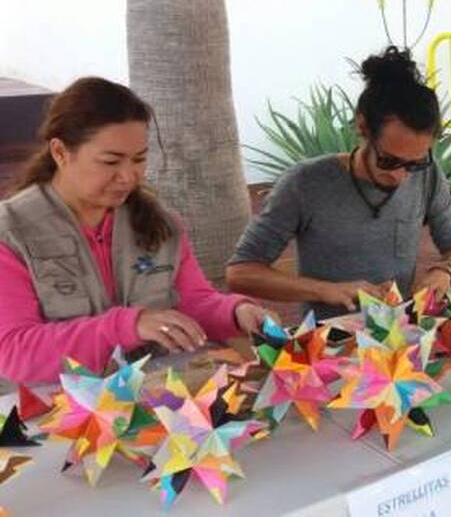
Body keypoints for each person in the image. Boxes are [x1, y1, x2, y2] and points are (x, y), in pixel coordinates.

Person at [0, 77, 271, 385]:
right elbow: (15, 353)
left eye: (139, 159)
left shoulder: (160, 225)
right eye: (110, 161)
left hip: (154, 398)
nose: (129, 176)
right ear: (60, 152)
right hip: (51, 406)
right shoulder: (11, 233)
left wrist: (235, 312)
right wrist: (126, 326)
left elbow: (191, 302)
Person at [226, 46, 451, 320]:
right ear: (363, 127)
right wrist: (325, 290)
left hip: (399, 332)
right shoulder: (306, 184)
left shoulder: (428, 175)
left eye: (415, 163)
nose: (401, 176)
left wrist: (446, 270)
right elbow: (240, 273)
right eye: (389, 161)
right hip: (330, 336)